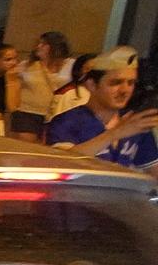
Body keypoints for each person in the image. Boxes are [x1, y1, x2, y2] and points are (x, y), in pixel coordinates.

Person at [47, 47, 158, 176]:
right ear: (91, 85)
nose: (124, 90)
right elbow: (62, 162)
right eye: (116, 83)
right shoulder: (68, 121)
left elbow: (154, 171)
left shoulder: (134, 125)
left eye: (131, 83)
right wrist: (115, 133)